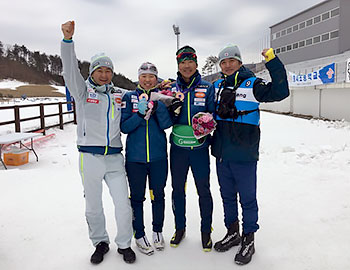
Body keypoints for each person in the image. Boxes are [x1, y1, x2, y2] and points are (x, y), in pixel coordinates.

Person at [60, 21, 135, 264]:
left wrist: (163, 96)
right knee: (93, 207)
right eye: (99, 70)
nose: (104, 75)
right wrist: (68, 42)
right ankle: (100, 242)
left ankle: (124, 244)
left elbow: (144, 94)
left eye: (108, 71)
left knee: (123, 205)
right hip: (89, 158)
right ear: (92, 72)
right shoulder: (82, 92)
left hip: (114, 158)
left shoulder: (118, 94)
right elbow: (70, 70)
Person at [211, 44, 289, 265]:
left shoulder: (253, 84)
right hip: (222, 153)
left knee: (247, 199)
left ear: (239, 62)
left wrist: (272, 61)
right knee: (227, 197)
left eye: (231, 61)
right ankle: (233, 231)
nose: (227, 65)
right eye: (223, 62)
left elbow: (280, 92)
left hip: (244, 153)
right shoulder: (216, 86)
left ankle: (249, 239)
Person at [121, 62, 172, 256]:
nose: (148, 79)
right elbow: (125, 127)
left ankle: (157, 231)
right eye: (144, 76)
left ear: (156, 79)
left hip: (158, 157)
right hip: (135, 158)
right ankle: (139, 233)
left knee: (158, 195)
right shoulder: (129, 97)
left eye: (152, 76)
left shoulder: (162, 97)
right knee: (137, 197)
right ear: (139, 78)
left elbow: (166, 125)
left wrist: (158, 106)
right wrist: (140, 114)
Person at [168, 45, 215, 251]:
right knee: (178, 189)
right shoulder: (170, 88)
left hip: (199, 148)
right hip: (178, 149)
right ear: (178, 65)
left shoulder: (207, 87)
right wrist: (170, 112)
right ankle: (180, 228)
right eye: (182, 62)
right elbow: (163, 118)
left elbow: (214, 116)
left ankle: (206, 231)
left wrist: (206, 121)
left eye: (190, 62)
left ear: (196, 63)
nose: (187, 66)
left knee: (203, 189)